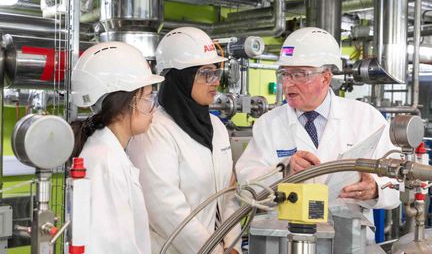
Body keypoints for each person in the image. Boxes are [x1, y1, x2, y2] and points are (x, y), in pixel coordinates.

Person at [235, 27, 400, 241]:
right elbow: (247, 187)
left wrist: (375, 189)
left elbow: (397, 182)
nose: (288, 83)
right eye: (285, 74)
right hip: (285, 239)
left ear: (325, 77)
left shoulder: (365, 118)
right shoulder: (268, 124)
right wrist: (284, 173)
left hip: (348, 240)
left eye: (299, 75)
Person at [127, 27, 241, 254]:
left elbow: (229, 195)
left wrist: (233, 245)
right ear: (181, 78)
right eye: (205, 73)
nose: (215, 82)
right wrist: (215, 252)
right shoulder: (154, 130)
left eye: (217, 72)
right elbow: (166, 210)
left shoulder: (216, 127)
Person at [70, 41, 164, 253]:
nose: (153, 107)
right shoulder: (105, 162)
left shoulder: (108, 153)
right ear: (125, 103)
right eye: (148, 96)